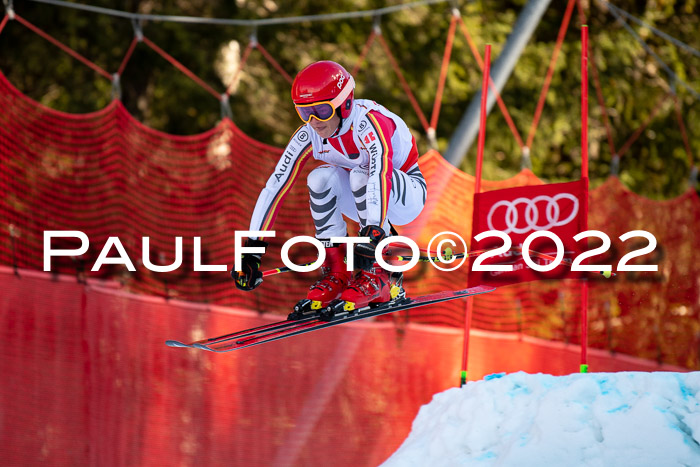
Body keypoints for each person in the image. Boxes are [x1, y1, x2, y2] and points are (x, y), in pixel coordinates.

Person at [233, 60, 427, 314]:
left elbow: (381, 172)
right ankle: (337, 272)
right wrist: (252, 249)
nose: (314, 121)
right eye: (304, 112)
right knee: (319, 178)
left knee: (360, 174)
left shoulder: (369, 123)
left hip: (406, 193)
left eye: (322, 111)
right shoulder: (310, 134)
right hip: (366, 200)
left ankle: (379, 276)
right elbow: (276, 186)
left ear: (344, 104)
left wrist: (375, 231)